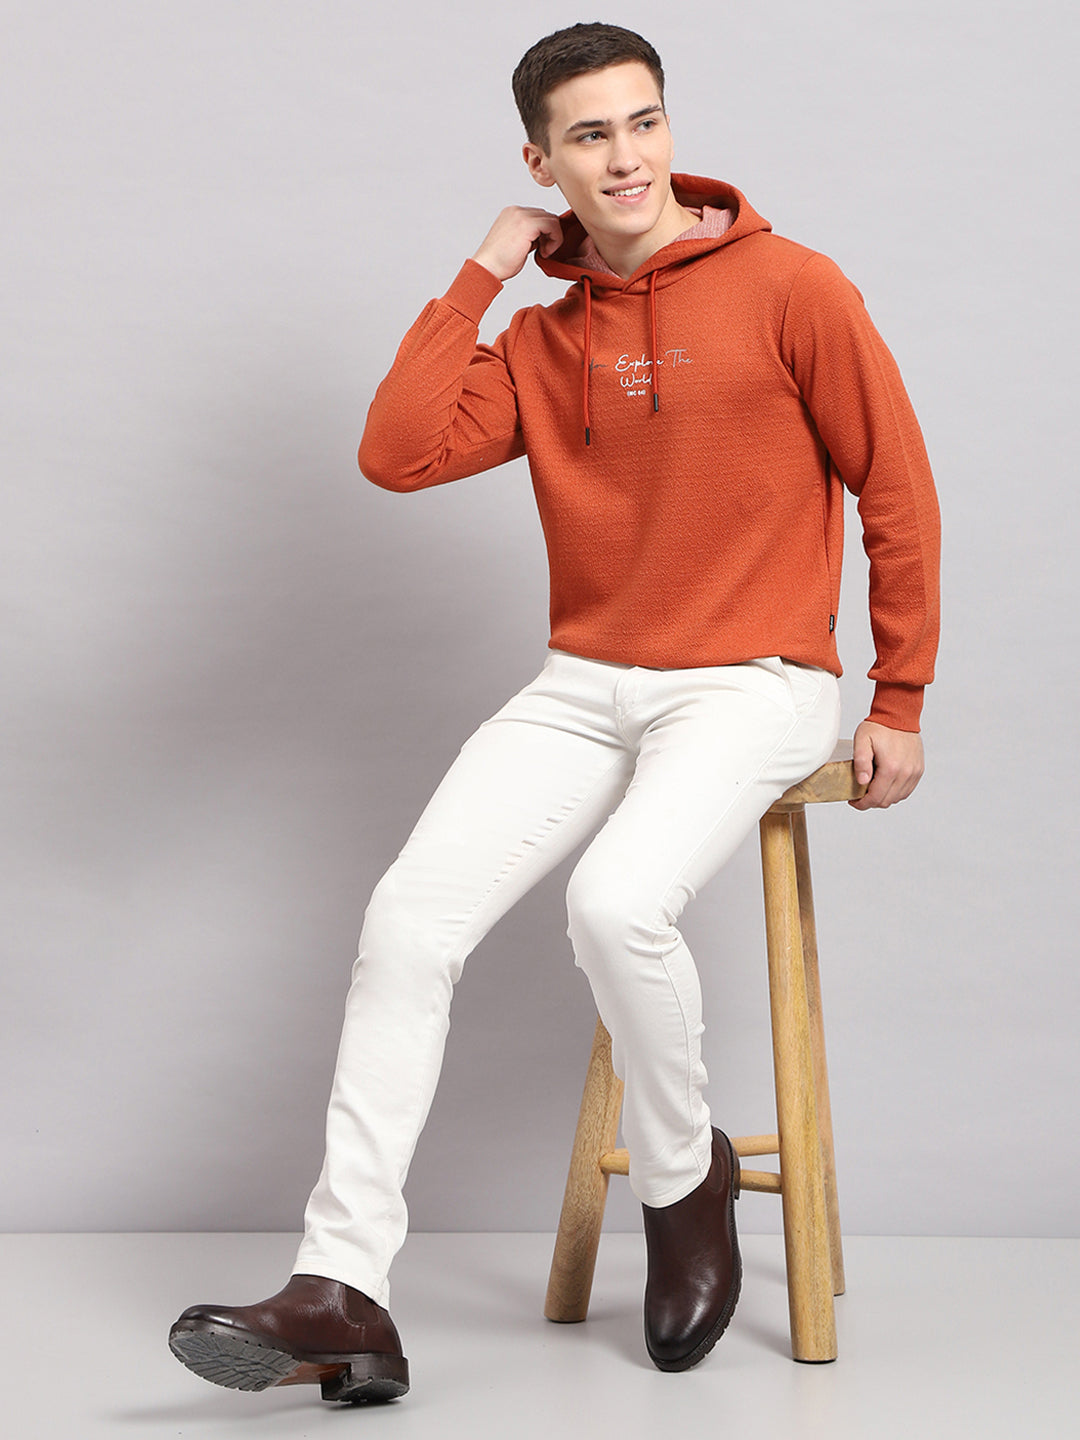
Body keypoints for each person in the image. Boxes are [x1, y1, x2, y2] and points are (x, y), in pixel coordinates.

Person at [169, 21, 940, 1404]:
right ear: (542, 163)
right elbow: (396, 452)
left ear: (671, 128)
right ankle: (343, 1290)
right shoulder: (542, 338)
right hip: (584, 683)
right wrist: (482, 271)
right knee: (406, 923)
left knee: (615, 902)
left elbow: (896, 487)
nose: (626, 157)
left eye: (644, 123)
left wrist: (900, 690)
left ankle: (685, 1182)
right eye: (590, 135)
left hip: (753, 679)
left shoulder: (794, 287)